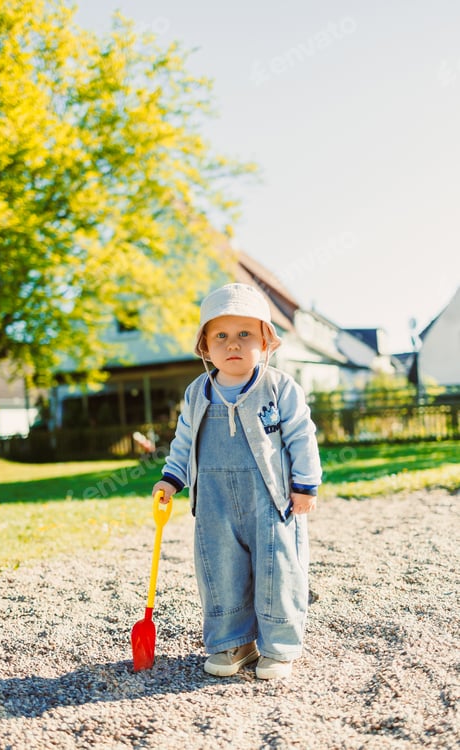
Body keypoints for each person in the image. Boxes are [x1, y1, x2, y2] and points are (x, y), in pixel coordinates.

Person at [152, 283, 322, 680]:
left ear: (265, 340)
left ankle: (279, 646)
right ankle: (234, 641)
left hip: (271, 499)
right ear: (205, 346)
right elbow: (183, 440)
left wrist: (305, 485)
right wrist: (171, 480)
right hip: (213, 503)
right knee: (220, 570)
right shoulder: (198, 392)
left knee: (277, 568)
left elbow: (301, 435)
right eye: (221, 336)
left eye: (245, 334)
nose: (233, 344)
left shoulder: (279, 388)